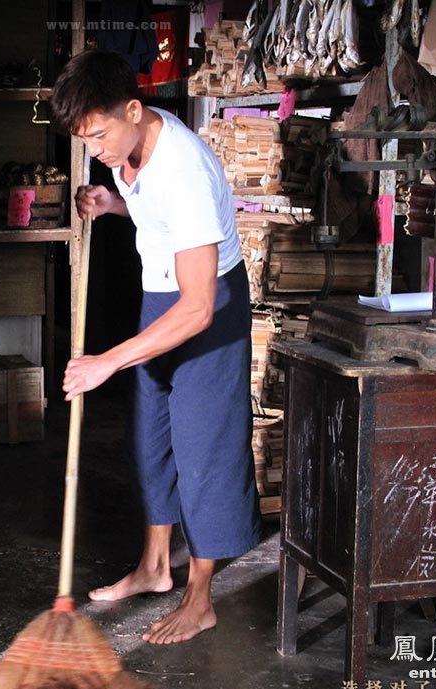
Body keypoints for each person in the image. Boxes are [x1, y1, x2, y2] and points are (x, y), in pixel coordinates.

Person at [50, 50, 262, 645]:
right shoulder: (127, 150)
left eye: (98, 136)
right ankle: (153, 569)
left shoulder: (184, 170)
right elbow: (155, 216)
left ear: (135, 110)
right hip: (159, 295)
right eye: (84, 140)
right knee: (152, 441)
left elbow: (197, 308)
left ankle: (201, 597)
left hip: (206, 309)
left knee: (204, 450)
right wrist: (115, 204)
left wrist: (107, 362)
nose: (95, 152)